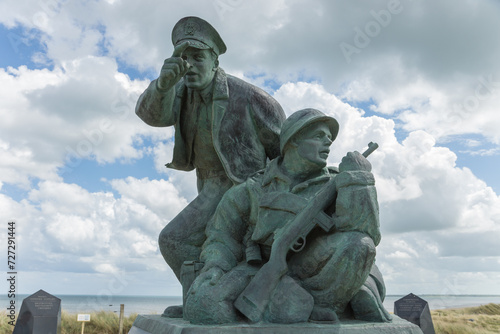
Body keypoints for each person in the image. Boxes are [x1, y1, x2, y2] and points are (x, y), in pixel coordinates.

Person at [184, 108, 391, 324]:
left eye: (329, 139)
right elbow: (222, 238)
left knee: (360, 245)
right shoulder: (251, 189)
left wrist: (358, 179)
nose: (328, 143)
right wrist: (215, 266)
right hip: (260, 269)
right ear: (292, 140)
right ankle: (297, 304)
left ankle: (311, 304)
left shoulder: (338, 182)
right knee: (204, 306)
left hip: (322, 268)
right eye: (319, 136)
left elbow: (364, 229)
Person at [135, 16, 286, 303]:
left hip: (243, 186)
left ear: (215, 61)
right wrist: (163, 86)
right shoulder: (178, 92)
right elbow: (149, 115)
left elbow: (284, 150)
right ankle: (208, 299)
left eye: (198, 57)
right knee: (210, 246)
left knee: (174, 240)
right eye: (183, 57)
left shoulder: (250, 97)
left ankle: (209, 299)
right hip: (206, 183)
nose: (189, 64)